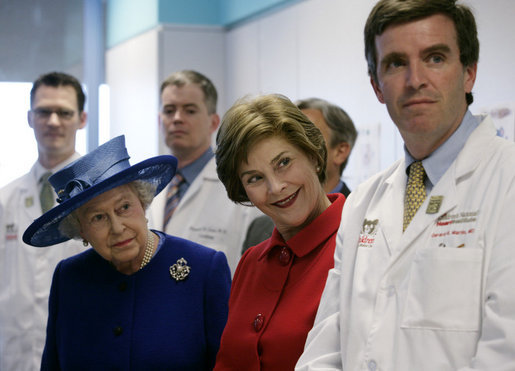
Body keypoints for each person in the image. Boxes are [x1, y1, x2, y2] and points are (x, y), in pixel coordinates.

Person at [297, 0, 515, 370]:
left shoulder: (506, 181)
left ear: (469, 73)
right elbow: (326, 346)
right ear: (377, 86)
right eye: (396, 63)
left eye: (435, 57)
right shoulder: (364, 201)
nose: (415, 80)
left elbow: (505, 350)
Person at [22, 135, 231, 370]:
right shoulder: (69, 278)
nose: (117, 228)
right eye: (98, 217)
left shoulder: (204, 269)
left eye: (124, 207)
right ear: (81, 230)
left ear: (142, 203)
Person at [213, 94, 346, 370]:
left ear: (313, 155)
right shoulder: (251, 263)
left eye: (283, 162)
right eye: (255, 178)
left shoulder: (357, 245)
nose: (275, 187)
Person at [0, 71, 89, 370]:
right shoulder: (5, 199)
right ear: (29, 117)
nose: (53, 121)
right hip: (15, 356)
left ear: (82, 119)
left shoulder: (105, 198)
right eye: (43, 112)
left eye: (64, 112)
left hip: (81, 350)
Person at [148, 70, 260, 274]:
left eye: (190, 110)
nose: (177, 118)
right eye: (169, 110)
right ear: (159, 120)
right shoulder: (145, 188)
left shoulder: (241, 188)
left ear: (214, 122)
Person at [242, 97, 357, 252]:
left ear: (340, 151)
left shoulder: (362, 222)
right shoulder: (259, 229)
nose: (296, 143)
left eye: (307, 136)